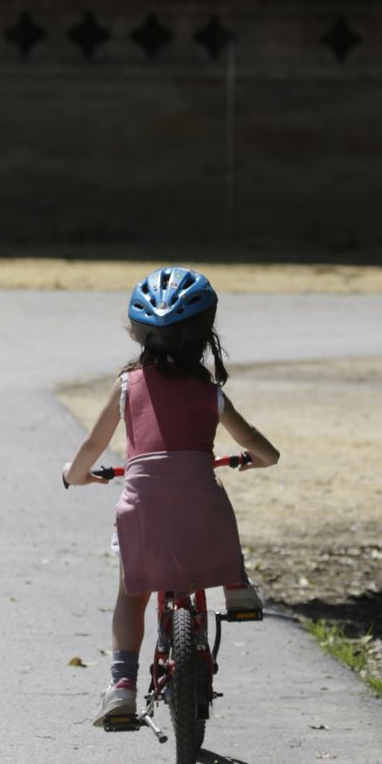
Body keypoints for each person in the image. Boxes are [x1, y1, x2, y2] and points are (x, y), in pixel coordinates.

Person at [61, 266, 279, 727]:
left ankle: (122, 685)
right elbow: (262, 448)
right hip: (199, 503)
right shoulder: (210, 391)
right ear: (204, 335)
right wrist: (257, 458)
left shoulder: (126, 386)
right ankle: (237, 588)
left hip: (142, 505)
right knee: (214, 509)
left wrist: (75, 474)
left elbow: (92, 447)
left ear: (139, 334)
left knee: (131, 592)